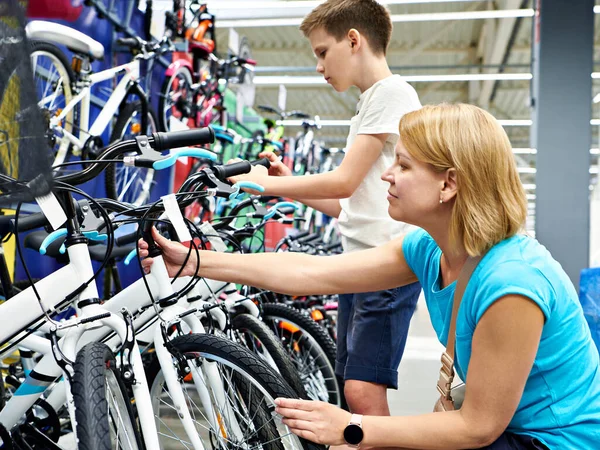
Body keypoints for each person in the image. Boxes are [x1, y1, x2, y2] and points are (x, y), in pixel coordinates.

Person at [140, 103, 600, 449]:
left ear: (449, 184)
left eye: (403, 165)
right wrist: (194, 262)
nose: (387, 176)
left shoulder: (512, 284)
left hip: (549, 441)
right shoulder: (429, 247)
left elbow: (478, 427)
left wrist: (352, 428)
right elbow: (313, 272)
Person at [230, 0, 424, 420]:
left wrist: (269, 184)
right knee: (349, 384)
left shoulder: (391, 94)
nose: (319, 66)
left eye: (322, 52)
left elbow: (343, 181)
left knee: (362, 390)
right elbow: (346, 204)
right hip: (359, 264)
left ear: (353, 40)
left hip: (386, 266)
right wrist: (288, 186)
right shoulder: (370, 103)